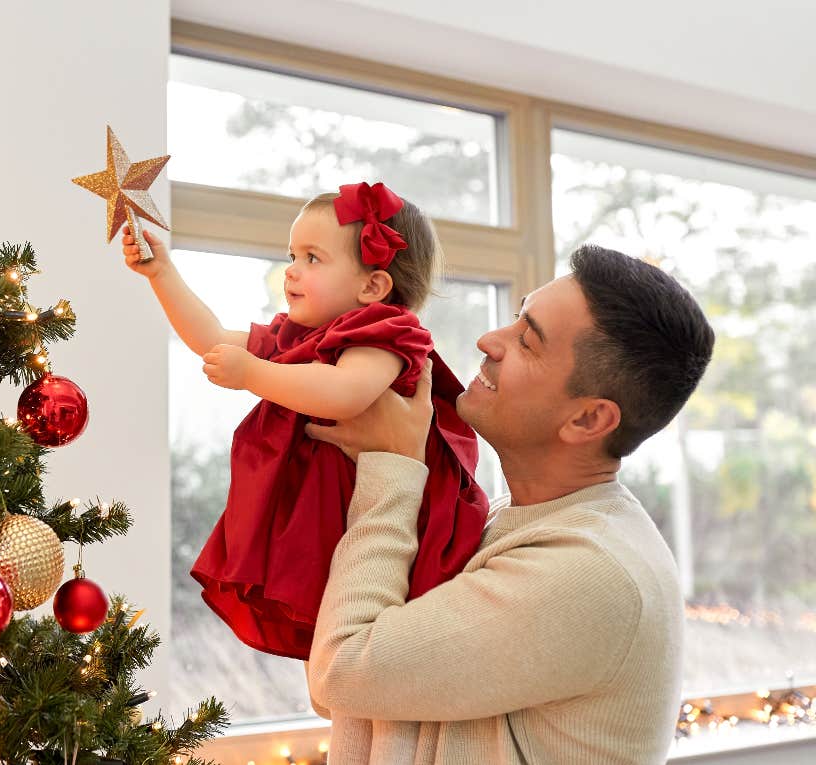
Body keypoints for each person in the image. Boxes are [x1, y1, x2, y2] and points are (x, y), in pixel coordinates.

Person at [304, 244, 714, 764]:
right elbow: (346, 689)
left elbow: (341, 671)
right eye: (517, 316)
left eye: (527, 341)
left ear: (589, 420)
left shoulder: (590, 570)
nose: (488, 340)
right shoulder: (508, 520)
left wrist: (392, 463)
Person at [117, 182, 487, 661]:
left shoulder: (386, 335)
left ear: (372, 287)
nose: (292, 270)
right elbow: (210, 337)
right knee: (338, 639)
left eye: (313, 258)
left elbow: (345, 394)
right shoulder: (298, 337)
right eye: (292, 254)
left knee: (367, 638)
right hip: (329, 515)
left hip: (388, 519)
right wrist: (161, 273)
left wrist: (253, 373)